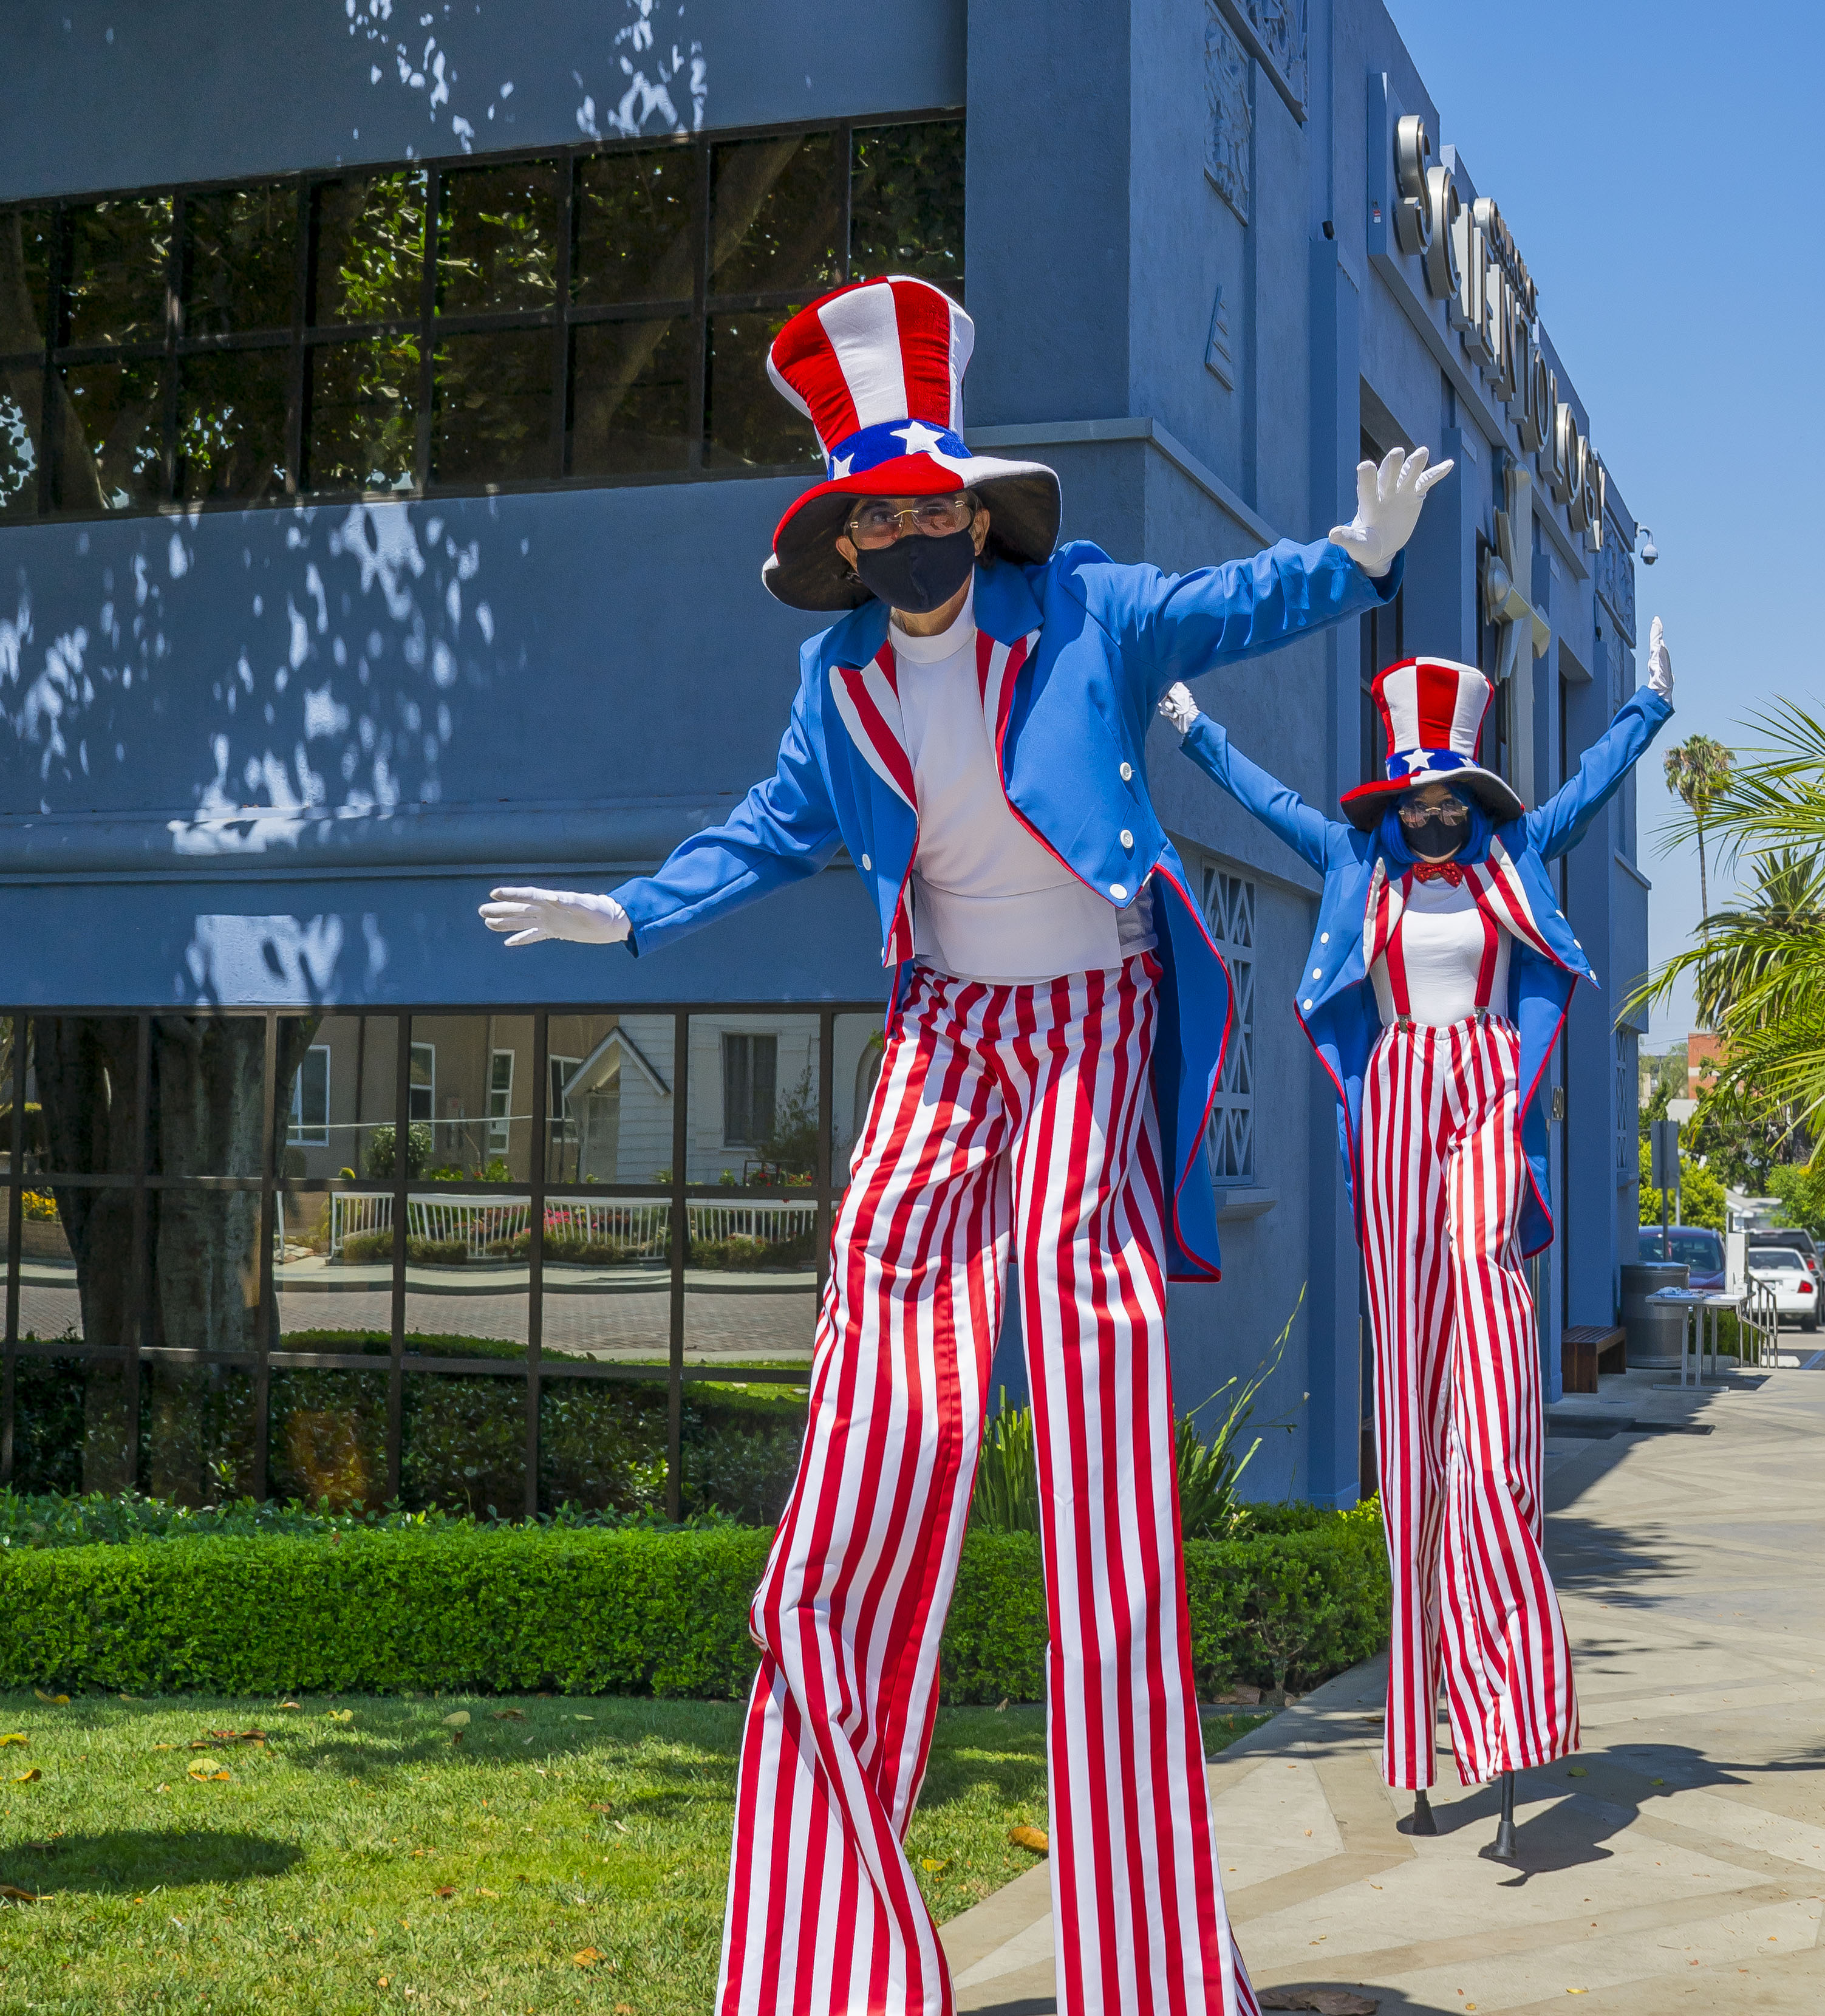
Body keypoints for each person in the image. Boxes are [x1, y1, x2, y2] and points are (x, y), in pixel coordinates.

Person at [476, 273, 1451, 2016]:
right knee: (872, 1434)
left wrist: (1352, 564)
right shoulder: (832, 679)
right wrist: (629, 918)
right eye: (882, 513)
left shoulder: (1076, 606)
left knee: (1100, 1480)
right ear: (842, 536)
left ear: (972, 507)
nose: (915, 531)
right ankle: (821, 1967)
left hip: (1088, 1026)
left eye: (937, 504)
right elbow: (768, 834)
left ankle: (1149, 1970)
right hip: (944, 1036)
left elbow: (1226, 604)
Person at [1157, 624, 1674, 1836]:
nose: (1437, 816)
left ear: (1473, 795)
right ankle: (1424, 1726)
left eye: (1454, 797)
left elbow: (1589, 785)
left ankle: (1507, 1711)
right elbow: (1264, 795)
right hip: (1392, 1104)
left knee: (1489, 1433)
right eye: (1419, 798)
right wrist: (1188, 728)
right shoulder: (1353, 861)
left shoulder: (1514, 854)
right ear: (1393, 797)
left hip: (1485, 1096)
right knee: (1410, 1421)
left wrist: (1647, 703)